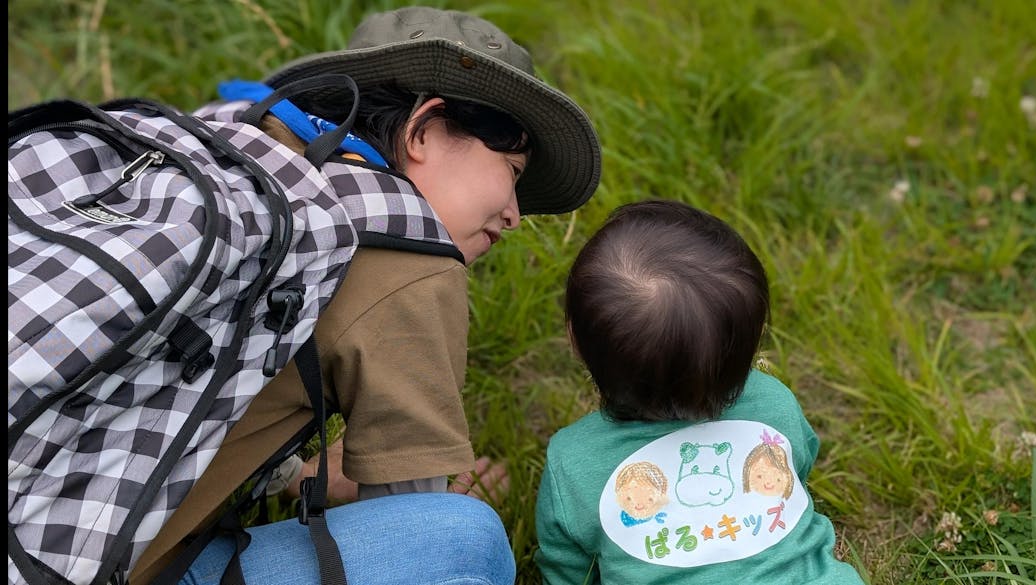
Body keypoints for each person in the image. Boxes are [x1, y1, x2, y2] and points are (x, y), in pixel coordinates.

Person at [128, 6, 601, 584]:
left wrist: (304, 477)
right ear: (423, 130)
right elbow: (412, 516)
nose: (515, 215)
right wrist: (430, 491)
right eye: (512, 167)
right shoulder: (406, 254)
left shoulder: (229, 144)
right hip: (84, 568)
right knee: (461, 538)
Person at [535, 200, 864, 584]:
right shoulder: (773, 403)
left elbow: (566, 564)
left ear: (574, 339)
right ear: (753, 343)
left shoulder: (572, 460)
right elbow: (798, 463)